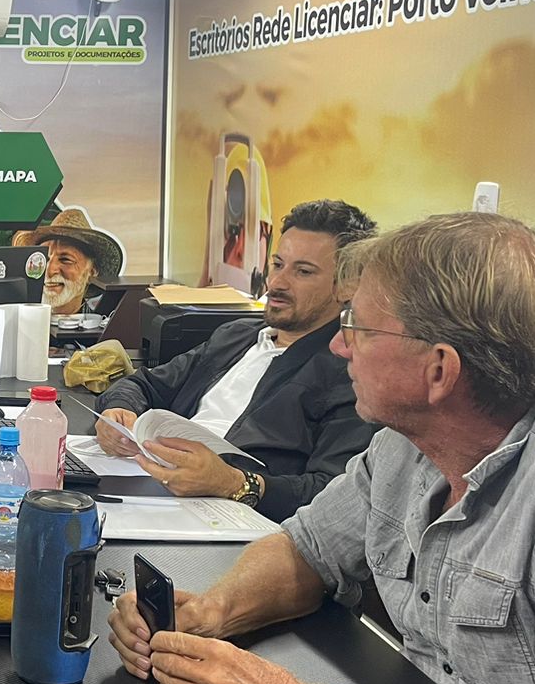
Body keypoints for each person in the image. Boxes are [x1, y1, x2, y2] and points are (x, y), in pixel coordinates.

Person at [109, 210, 535, 684]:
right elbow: (309, 548)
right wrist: (214, 612)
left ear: (440, 371)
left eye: (357, 328)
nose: (339, 346)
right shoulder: (405, 444)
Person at [95, 199, 378, 521]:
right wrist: (117, 412)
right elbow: (143, 384)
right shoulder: (236, 335)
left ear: (347, 285)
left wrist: (234, 483)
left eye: (303, 271)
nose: (277, 283)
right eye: (278, 264)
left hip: (230, 517)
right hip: (150, 484)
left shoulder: (351, 373)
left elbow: (335, 495)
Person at [10, 205, 123, 318]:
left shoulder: (104, 330)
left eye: (65, 260)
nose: (49, 270)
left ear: (92, 272)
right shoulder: (16, 323)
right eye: (44, 259)